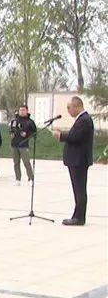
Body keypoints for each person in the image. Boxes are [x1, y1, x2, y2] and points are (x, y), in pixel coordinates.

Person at [53, 96, 94, 226]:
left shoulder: (84, 120)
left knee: (80, 190)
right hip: (77, 160)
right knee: (78, 190)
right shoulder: (81, 119)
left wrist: (61, 136)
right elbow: (75, 134)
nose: (68, 110)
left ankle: (79, 218)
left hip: (79, 160)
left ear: (77, 106)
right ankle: (77, 215)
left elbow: (76, 137)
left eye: (69, 108)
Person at [9, 104, 36, 185]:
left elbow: (34, 132)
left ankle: (30, 179)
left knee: (26, 162)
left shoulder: (30, 122)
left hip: (24, 145)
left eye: (23, 110)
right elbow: (11, 129)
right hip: (14, 144)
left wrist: (27, 134)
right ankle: (18, 179)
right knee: (16, 163)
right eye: (20, 110)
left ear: (27, 111)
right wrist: (11, 133)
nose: (22, 112)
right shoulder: (14, 120)